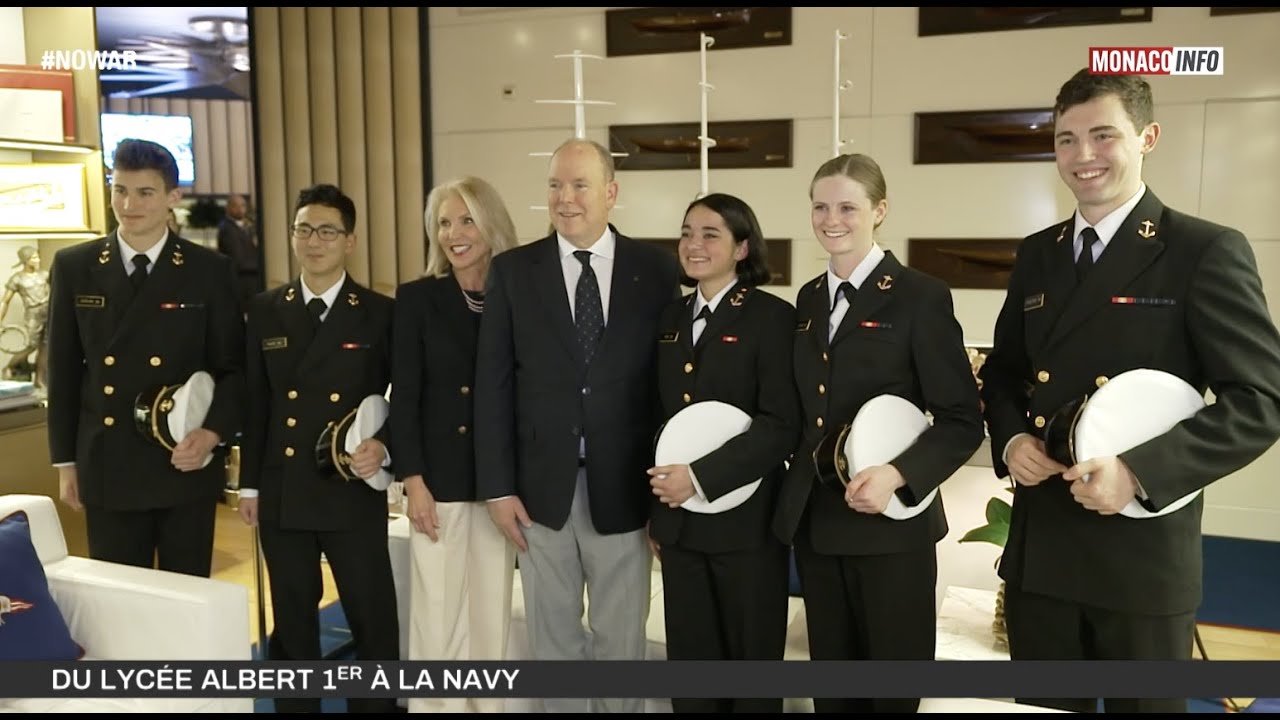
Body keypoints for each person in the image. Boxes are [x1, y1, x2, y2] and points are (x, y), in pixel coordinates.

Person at [979, 70, 1280, 714]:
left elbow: (1260, 401)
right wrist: (1011, 439)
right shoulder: (1037, 254)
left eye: (1103, 135)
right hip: (1044, 552)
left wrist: (1139, 474)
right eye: (1066, 139)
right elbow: (1004, 371)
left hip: (1140, 556)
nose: (1082, 155)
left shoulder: (1201, 250)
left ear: (1148, 137)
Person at [772, 153, 984, 713]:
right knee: (833, 692)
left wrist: (897, 475)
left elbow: (962, 419)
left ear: (879, 210)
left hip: (891, 528)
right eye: (820, 207)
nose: (831, 219)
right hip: (819, 523)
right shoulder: (809, 299)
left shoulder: (920, 296)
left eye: (847, 207)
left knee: (892, 691)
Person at [474, 138, 680, 713]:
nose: (564, 199)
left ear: (611, 192)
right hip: (540, 495)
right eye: (555, 185)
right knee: (554, 645)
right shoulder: (513, 272)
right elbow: (493, 386)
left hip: (626, 489)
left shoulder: (656, 271)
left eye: (579, 185)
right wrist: (498, 488)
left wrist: (663, 497)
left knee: (622, 645)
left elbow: (667, 390)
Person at [45, 138, 245, 576]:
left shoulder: (209, 271)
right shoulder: (75, 266)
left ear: (173, 197)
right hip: (108, 462)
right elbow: (63, 370)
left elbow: (232, 368)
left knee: (185, 593)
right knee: (121, 597)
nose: (128, 204)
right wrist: (65, 462)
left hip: (184, 459)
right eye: (120, 190)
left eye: (145, 192)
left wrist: (212, 434)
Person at [238, 184, 398, 713]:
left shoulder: (379, 313)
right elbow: (256, 404)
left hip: (351, 490)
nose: (314, 241)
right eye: (303, 229)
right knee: (293, 625)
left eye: (327, 231)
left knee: (372, 618)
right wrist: (249, 486)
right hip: (283, 491)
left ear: (350, 241)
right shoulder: (265, 310)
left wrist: (385, 446)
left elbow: (407, 398)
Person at [647, 193, 800, 713]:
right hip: (680, 524)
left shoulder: (772, 317)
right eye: (687, 232)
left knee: (750, 672)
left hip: (747, 525)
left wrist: (699, 477)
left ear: (742, 248)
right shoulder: (669, 319)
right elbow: (657, 418)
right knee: (691, 675)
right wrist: (656, 507)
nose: (694, 244)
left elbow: (781, 424)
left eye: (710, 234)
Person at [391, 177, 519, 713]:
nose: (453, 233)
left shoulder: (521, 296)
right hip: (437, 482)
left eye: (466, 220)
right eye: (444, 222)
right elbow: (405, 398)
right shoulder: (418, 298)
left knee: (491, 610)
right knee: (436, 611)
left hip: (499, 485)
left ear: (491, 224)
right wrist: (413, 481)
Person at [1, 246, 50, 387]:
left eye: (37, 257)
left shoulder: (44, 275)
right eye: (33, 258)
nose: (37, 260)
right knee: (31, 345)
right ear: (25, 260)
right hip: (33, 314)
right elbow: (5, 301)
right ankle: (10, 366)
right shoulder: (17, 279)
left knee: (45, 347)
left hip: (48, 311)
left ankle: (39, 379)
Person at [217, 193, 261, 312]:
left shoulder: (248, 227)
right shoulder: (227, 229)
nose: (240, 209)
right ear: (228, 208)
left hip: (249, 281)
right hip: (241, 282)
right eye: (236, 206)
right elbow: (237, 258)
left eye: (243, 205)